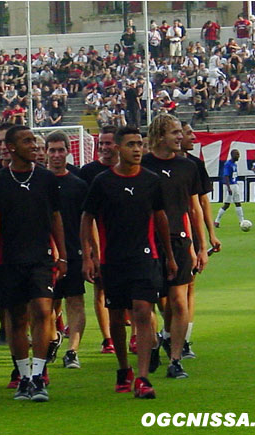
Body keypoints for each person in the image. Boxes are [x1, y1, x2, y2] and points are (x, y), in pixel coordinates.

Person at [82, 126, 178, 399]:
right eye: (132, 144)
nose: (137, 149)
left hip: (145, 257)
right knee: (116, 316)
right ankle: (123, 368)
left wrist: (169, 256)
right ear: (118, 149)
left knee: (142, 309)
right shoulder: (102, 182)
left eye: (140, 144)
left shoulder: (151, 180)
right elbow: (86, 217)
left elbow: (160, 217)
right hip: (112, 259)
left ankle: (143, 377)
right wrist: (89, 255)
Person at [0, 125, 67, 402]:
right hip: (9, 259)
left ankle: (39, 375)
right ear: (11, 147)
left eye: (35, 140)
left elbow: (56, 217)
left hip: (41, 258)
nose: (35, 145)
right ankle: (23, 377)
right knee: (16, 318)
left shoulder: (45, 178)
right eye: (27, 141)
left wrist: (63, 253)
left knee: (43, 312)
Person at [141, 114, 208, 379]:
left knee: (179, 301)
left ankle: (176, 358)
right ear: (160, 135)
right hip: (148, 242)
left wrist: (200, 247)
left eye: (181, 132)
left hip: (180, 240)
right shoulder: (143, 165)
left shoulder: (187, 167)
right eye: (175, 132)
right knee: (152, 302)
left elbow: (194, 208)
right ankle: (157, 341)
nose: (180, 137)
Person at [45, 131, 88, 369]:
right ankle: (52, 338)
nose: (57, 155)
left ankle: (73, 351)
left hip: (73, 252)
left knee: (75, 300)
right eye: (52, 150)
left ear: (69, 151)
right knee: (46, 305)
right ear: (46, 153)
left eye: (61, 150)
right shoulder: (38, 181)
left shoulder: (79, 184)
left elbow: (86, 221)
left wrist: (90, 252)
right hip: (44, 254)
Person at [178, 123, 221, 360]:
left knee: (189, 287)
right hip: (164, 233)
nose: (193, 137)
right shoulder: (152, 164)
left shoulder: (195, 165)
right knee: (167, 294)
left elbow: (202, 202)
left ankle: (184, 338)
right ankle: (168, 333)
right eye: (187, 133)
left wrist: (210, 234)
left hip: (189, 232)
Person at [78, 125, 117, 354]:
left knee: (129, 291)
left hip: (124, 240)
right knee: (100, 289)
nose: (103, 147)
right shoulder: (88, 173)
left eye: (108, 143)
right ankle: (108, 338)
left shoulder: (131, 170)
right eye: (101, 143)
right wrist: (91, 250)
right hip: (98, 242)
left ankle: (132, 335)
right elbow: (85, 215)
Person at [214, 149, 247, 227]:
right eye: (237, 154)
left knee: (238, 203)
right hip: (230, 186)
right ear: (232, 155)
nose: (238, 156)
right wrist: (228, 188)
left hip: (235, 185)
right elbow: (226, 176)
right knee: (226, 204)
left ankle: (241, 221)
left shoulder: (234, 164)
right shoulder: (228, 164)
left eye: (238, 154)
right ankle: (217, 221)